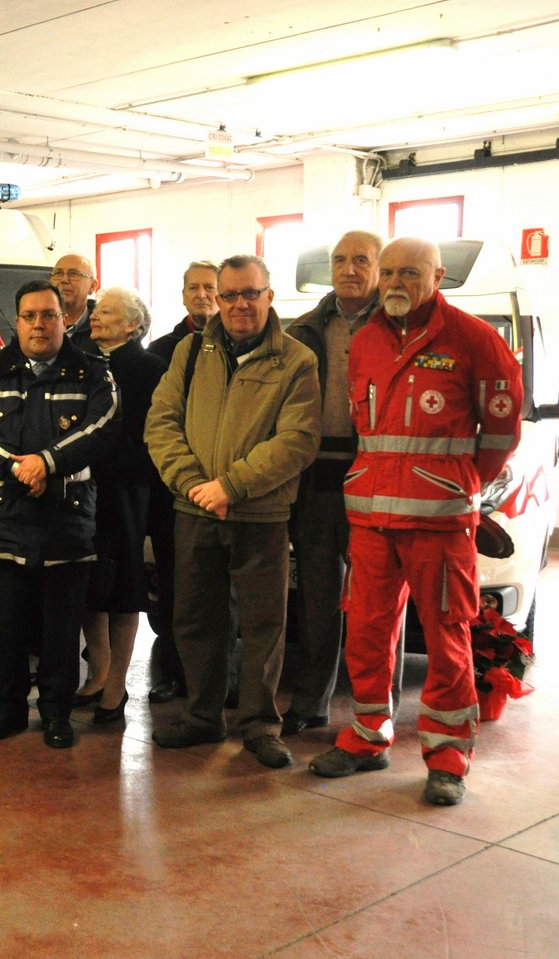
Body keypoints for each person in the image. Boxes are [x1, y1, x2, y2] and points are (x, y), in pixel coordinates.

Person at [310, 237, 524, 807]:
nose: (397, 282)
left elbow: (501, 434)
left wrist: (456, 482)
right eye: (391, 273)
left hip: (439, 521)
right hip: (371, 517)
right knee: (367, 631)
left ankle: (448, 752)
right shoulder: (367, 339)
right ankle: (366, 734)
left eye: (411, 272)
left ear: (439, 276)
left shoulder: (474, 340)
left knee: (447, 637)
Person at [144, 254, 319, 770]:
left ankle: (261, 725)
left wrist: (232, 486)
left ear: (269, 296)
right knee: (196, 618)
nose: (241, 304)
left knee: (265, 625)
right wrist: (195, 484)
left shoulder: (296, 360)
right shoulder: (191, 353)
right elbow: (161, 422)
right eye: (231, 295)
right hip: (194, 509)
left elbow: (297, 440)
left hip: (261, 515)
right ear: (216, 299)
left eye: (251, 293)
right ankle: (202, 716)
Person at [0, 280, 118, 749]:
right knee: (7, 625)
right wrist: (17, 467)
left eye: (48, 315)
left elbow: (103, 426)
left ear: (64, 319)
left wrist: (47, 462)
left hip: (67, 521)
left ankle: (55, 714)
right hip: (6, 518)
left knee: (61, 628)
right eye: (29, 316)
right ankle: (7, 711)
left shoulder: (92, 372)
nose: (38, 324)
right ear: (16, 321)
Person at [282, 231, 393, 735]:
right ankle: (312, 701)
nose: (349, 269)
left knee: (378, 601)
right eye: (339, 259)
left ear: (379, 267)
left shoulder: (398, 325)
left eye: (361, 260)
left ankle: (377, 705)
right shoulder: (304, 328)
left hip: (380, 475)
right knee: (318, 598)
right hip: (317, 478)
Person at [73, 287, 167, 727]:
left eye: (107, 312)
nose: (96, 317)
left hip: (126, 488)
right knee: (88, 582)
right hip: (81, 487)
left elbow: (155, 432)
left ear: (132, 323)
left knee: (124, 586)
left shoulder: (149, 368)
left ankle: (116, 686)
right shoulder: (79, 360)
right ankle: (96, 674)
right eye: (97, 310)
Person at [143, 260, 220, 703]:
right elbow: (157, 422)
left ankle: (221, 678)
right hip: (172, 488)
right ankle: (173, 672)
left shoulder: (241, 347)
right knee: (177, 587)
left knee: (222, 591)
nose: (203, 294)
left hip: (229, 484)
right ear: (184, 295)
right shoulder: (162, 352)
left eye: (210, 287)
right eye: (194, 287)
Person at [51, 254, 99, 353]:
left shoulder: (103, 328)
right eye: (58, 273)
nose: (64, 280)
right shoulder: (36, 322)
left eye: (74, 274)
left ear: (92, 287)